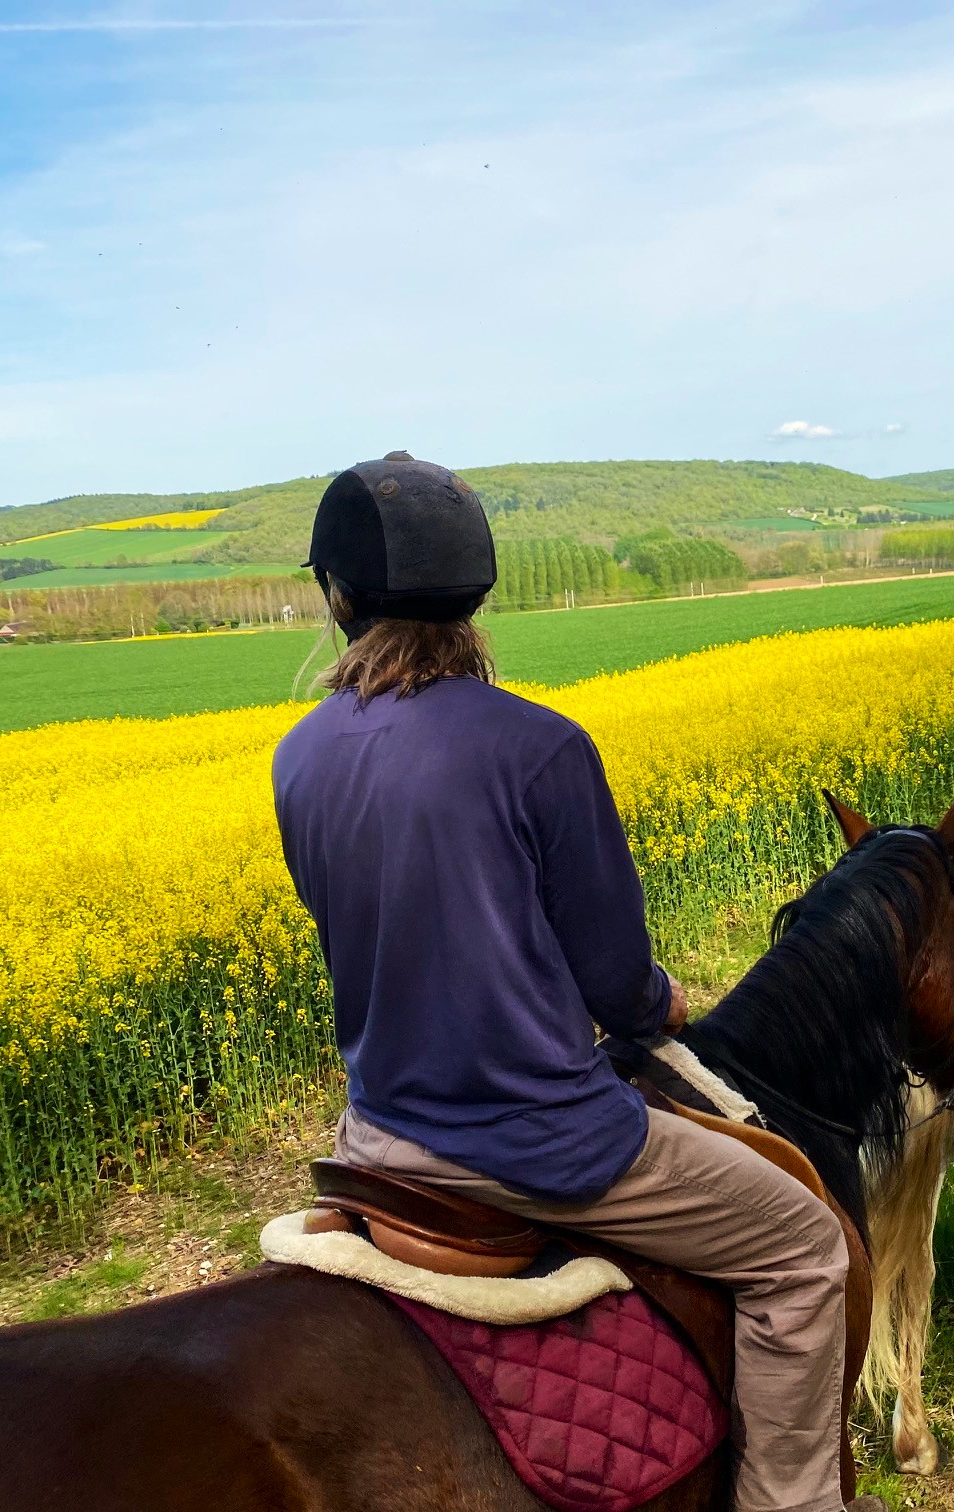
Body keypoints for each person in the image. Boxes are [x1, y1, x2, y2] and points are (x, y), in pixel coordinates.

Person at [272, 453, 864, 1512]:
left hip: (378, 1139)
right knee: (806, 1249)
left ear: (338, 596)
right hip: (537, 1143)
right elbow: (618, 990)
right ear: (477, 594)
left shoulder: (297, 757)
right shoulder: (539, 746)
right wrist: (666, 1001)